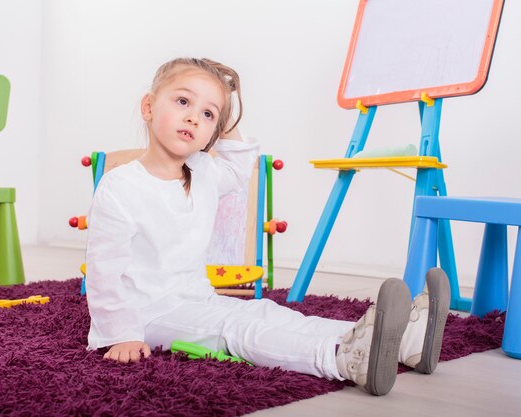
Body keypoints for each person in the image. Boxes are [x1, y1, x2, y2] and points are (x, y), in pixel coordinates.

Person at [85, 57, 451, 396]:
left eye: (208, 114)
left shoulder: (204, 172)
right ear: (149, 107)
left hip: (196, 297)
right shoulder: (121, 187)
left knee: (265, 312)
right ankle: (341, 357)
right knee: (237, 330)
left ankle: (405, 342)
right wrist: (121, 335)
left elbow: (240, 162)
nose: (194, 118)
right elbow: (105, 272)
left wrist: (227, 110)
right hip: (150, 314)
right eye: (183, 102)